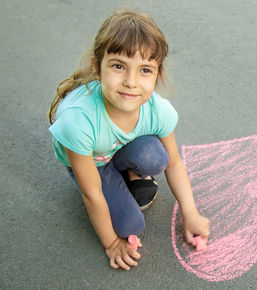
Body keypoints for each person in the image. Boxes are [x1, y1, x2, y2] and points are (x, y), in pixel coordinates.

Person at [48, 9, 210, 270]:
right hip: (92, 160)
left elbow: (174, 163)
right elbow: (92, 194)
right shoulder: (77, 121)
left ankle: (132, 173)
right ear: (96, 67)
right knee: (130, 226)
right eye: (118, 66)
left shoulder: (159, 110)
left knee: (156, 156)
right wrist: (111, 243)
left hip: (118, 147)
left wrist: (190, 213)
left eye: (145, 70)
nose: (131, 82)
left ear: (157, 74)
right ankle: (114, 176)